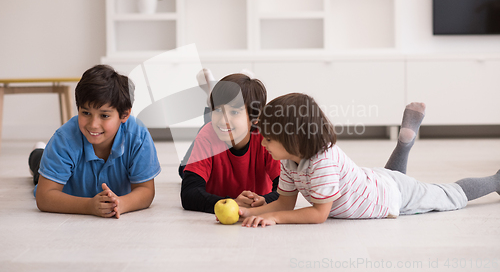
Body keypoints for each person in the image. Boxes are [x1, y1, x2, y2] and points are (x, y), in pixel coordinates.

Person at [239, 93, 500, 227]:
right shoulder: (289, 161)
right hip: (375, 183)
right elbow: (284, 202)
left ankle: (497, 180)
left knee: (449, 195)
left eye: (269, 139)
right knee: (394, 179)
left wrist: (277, 219)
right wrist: (247, 213)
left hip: (390, 197)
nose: (262, 144)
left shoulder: (321, 162)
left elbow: (319, 214)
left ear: (293, 139)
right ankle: (404, 143)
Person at [28, 65, 161, 218]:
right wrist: (89, 206)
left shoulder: (138, 136)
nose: (93, 124)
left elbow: (146, 190)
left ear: (124, 114)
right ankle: (38, 153)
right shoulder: (64, 139)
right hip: (67, 186)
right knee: (40, 170)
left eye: (104, 115)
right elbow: (45, 197)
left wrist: (121, 203)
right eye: (86, 113)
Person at [180, 73, 281, 213]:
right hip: (210, 137)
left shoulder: (267, 138)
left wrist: (265, 201)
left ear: (255, 117)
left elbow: (286, 191)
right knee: (183, 170)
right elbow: (188, 194)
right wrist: (232, 203)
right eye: (217, 110)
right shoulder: (207, 135)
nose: (223, 120)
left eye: (234, 112)